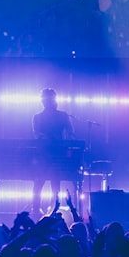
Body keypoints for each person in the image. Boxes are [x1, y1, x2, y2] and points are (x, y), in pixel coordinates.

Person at [31, 88, 76, 219]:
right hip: (43, 156)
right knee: (40, 183)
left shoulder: (62, 116)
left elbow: (71, 132)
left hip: (57, 155)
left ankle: (54, 209)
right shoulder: (38, 117)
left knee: (54, 183)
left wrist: (67, 142)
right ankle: (36, 209)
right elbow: (37, 134)